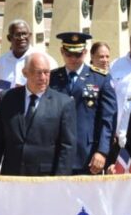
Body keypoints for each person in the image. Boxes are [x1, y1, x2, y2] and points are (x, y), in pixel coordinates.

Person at [0, 53, 76, 176]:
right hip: (11, 175)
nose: (43, 77)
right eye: (38, 72)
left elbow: (67, 147)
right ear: (25, 73)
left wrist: (59, 180)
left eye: (46, 72)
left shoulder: (63, 103)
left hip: (44, 178)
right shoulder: (7, 98)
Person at [50, 32, 116, 175]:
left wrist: (102, 151)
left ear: (85, 52)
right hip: (56, 153)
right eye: (69, 54)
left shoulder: (100, 78)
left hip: (88, 155)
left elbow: (108, 119)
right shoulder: (52, 78)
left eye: (78, 54)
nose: (73, 59)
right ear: (62, 52)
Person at [0, 19, 57, 94]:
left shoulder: (45, 60)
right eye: (17, 35)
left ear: (30, 36)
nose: (22, 37)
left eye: (24, 34)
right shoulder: (1, 61)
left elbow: (53, 90)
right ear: (9, 38)